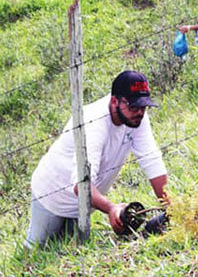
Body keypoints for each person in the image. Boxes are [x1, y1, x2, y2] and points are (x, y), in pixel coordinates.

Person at [25, 71, 169, 249]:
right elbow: (81, 184)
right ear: (115, 100)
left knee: (73, 251)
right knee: (37, 250)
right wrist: (111, 208)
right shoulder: (94, 123)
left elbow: (151, 160)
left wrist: (171, 208)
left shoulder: (136, 119)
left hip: (82, 207)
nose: (139, 112)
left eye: (143, 106)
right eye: (133, 106)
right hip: (52, 195)